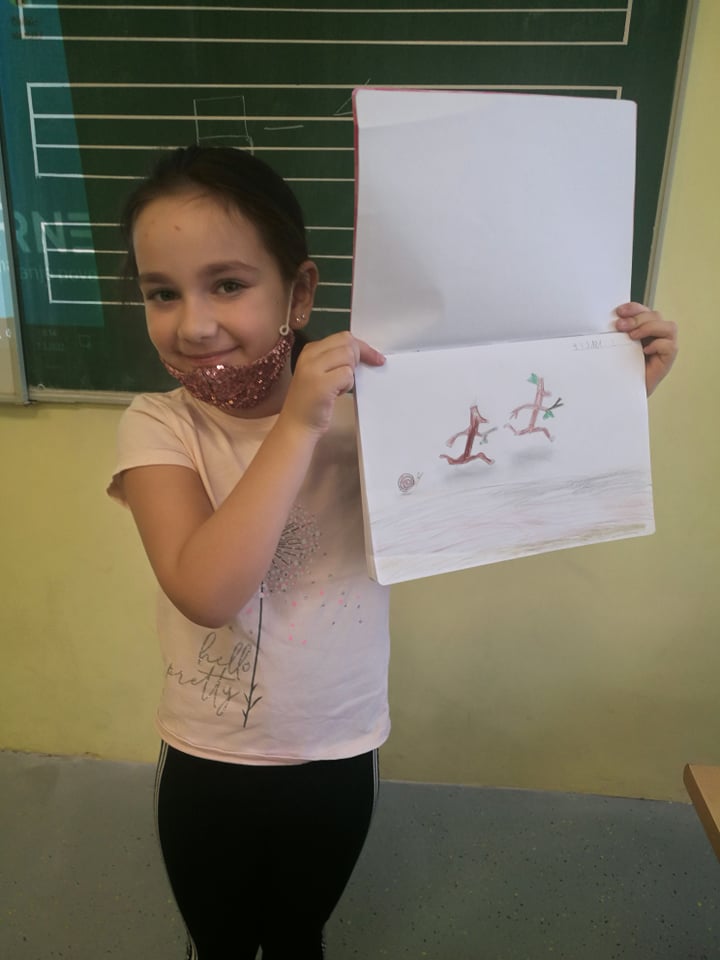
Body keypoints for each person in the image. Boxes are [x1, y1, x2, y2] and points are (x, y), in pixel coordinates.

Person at [108, 145, 678, 959]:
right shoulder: (157, 425)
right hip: (210, 756)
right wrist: (298, 424)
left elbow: (501, 497)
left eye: (227, 284)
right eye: (162, 293)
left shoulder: (377, 413)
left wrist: (617, 390)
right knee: (220, 943)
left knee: (299, 936)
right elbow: (206, 590)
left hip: (339, 748)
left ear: (299, 293)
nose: (193, 323)